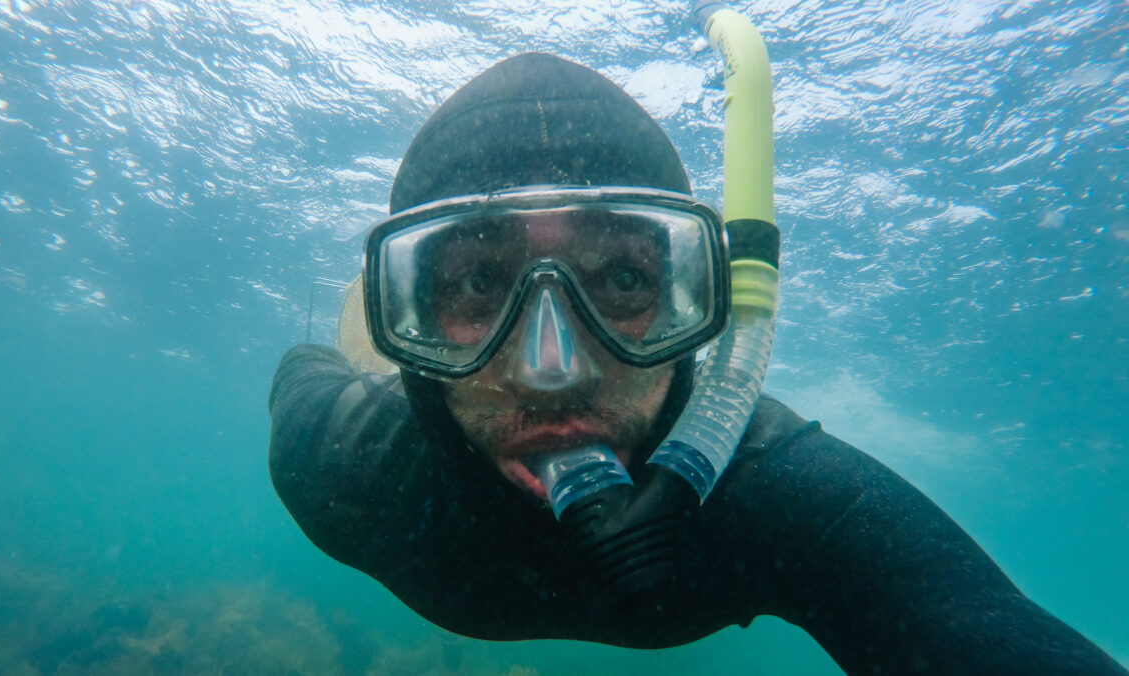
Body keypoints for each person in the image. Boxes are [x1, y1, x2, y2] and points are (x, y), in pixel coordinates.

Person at [268, 52, 1126, 675]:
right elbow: (298, 375)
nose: (552, 370)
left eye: (629, 278)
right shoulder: (342, 457)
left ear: (701, 303)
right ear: (405, 315)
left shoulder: (771, 493)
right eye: (476, 281)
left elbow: (971, 625)